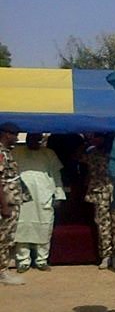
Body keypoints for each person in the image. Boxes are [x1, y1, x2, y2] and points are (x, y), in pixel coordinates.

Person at [13, 133, 65, 272]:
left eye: (37, 139)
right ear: (27, 139)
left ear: (41, 140)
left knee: (44, 227)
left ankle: (42, 260)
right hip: (23, 197)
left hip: (44, 195)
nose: (34, 142)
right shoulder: (16, 152)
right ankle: (23, 261)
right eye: (31, 139)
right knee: (22, 227)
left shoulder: (49, 153)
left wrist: (59, 195)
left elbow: (56, 175)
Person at [82, 133, 115, 269]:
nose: (96, 139)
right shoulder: (92, 152)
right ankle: (106, 255)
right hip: (99, 191)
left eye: (98, 137)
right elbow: (78, 159)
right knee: (102, 224)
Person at [0, 122, 25, 285]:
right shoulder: (1, 152)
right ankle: (2, 271)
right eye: (14, 134)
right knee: (3, 237)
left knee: (7, 237)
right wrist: (4, 205)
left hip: (11, 199)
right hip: (6, 201)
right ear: (6, 134)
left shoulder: (7, 152)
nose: (16, 138)